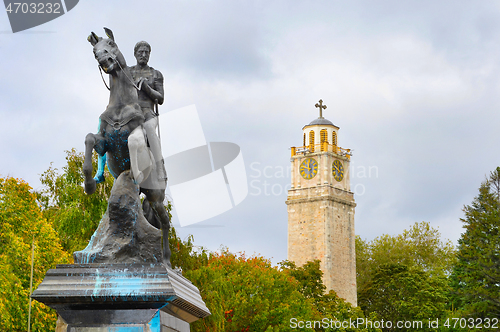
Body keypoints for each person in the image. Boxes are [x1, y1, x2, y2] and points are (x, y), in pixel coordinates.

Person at [129, 40, 167, 182]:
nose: (143, 55)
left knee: (150, 128)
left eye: (146, 52)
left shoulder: (156, 74)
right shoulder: (129, 72)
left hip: (148, 114)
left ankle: (159, 165)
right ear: (135, 54)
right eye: (141, 52)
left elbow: (161, 98)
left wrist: (147, 88)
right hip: (131, 113)